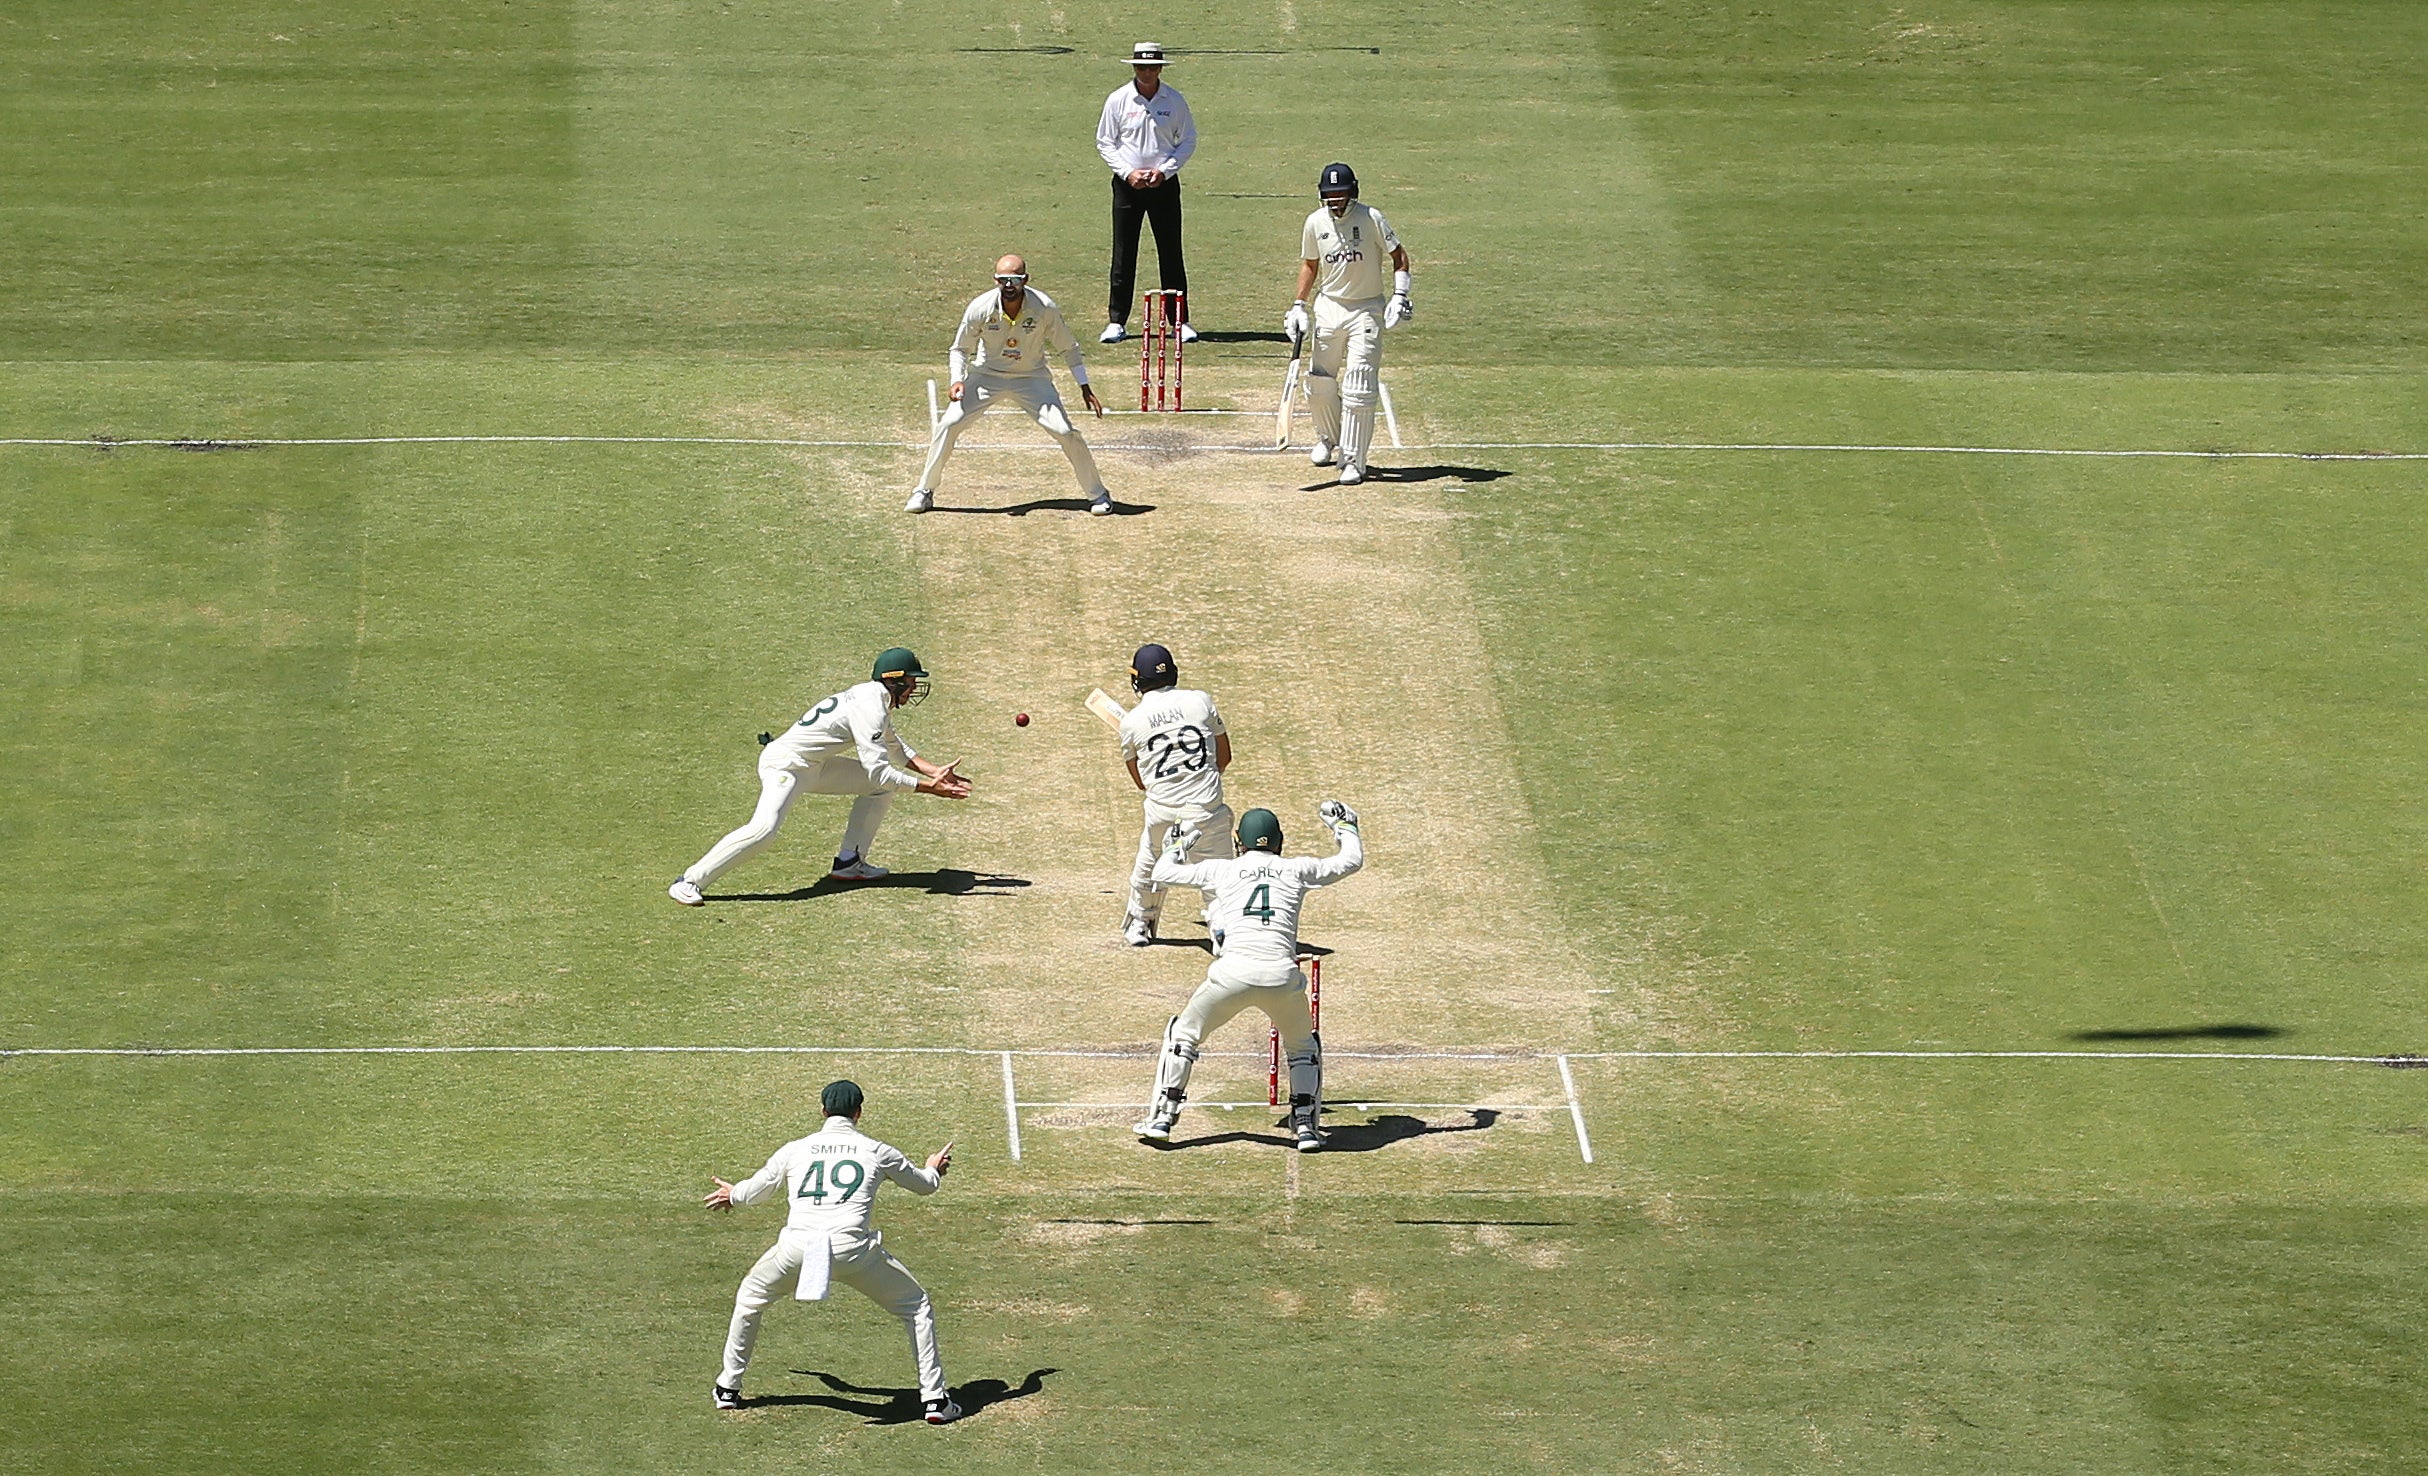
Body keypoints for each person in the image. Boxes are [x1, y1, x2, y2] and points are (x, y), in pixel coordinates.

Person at [705, 1079, 963, 1424]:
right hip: (853, 1251)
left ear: (823, 1111)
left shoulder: (796, 1149)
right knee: (916, 1307)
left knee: (750, 1299)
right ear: (858, 1113)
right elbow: (925, 1186)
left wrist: (733, 1195)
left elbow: (757, 1191)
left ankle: (728, 1388)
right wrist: (934, 1167)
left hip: (797, 1249)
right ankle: (935, 1400)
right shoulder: (877, 1150)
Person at [1134, 803, 1364, 1151]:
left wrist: (1177, 844)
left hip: (1232, 975)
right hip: (1281, 978)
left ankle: (1164, 1117)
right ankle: (1304, 1127)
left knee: (1184, 1035)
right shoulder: (1296, 869)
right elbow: (1350, 861)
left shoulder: (1223, 870)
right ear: (1280, 842)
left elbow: (1163, 872)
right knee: (1303, 1047)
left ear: (1238, 842)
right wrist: (1345, 828)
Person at [668, 648, 969, 904]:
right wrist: (930, 788)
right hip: (785, 766)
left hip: (816, 767)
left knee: (878, 790)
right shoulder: (870, 705)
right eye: (911, 681)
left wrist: (934, 770)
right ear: (893, 680)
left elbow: (893, 745)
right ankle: (689, 880)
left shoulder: (874, 698)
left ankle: (850, 862)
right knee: (764, 830)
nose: (914, 688)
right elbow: (879, 772)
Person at [907, 255, 1111, 516]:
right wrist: (956, 380)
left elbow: (1068, 347)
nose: (1009, 285)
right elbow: (960, 349)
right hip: (986, 377)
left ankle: (1098, 494)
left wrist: (1084, 386)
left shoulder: (1044, 308)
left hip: (1031, 378)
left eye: (1015, 279)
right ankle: (924, 490)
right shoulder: (980, 307)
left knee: (1065, 431)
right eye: (1003, 280)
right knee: (948, 424)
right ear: (996, 280)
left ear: (1025, 280)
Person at [1282, 162, 1413, 486]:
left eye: (1341, 194)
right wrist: (1299, 305)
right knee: (1319, 382)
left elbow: (1399, 256)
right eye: (1330, 195)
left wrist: (1400, 295)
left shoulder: (1371, 218)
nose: (1335, 201)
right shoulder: (1314, 222)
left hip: (1366, 309)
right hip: (1329, 307)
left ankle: (1353, 460)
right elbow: (1310, 265)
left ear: (1353, 192)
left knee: (1359, 384)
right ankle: (1329, 437)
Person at [1116, 642, 1234, 948]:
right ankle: (1222, 931)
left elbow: (1141, 782)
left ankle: (1139, 923)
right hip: (1206, 808)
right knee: (1218, 873)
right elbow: (1224, 758)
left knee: (1150, 860)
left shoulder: (1131, 721)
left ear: (1137, 679)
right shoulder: (1200, 701)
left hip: (1163, 812)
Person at [1095, 42, 1197, 345]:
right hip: (1128, 187)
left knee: (1170, 253)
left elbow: (1188, 140)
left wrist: (1164, 171)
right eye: (1142, 67)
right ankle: (1117, 321)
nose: (1147, 73)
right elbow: (1105, 142)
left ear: (1161, 69)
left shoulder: (1174, 100)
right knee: (1124, 253)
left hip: (1163, 186)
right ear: (1134, 68)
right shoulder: (1118, 99)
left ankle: (1179, 322)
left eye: (1153, 67)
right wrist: (1128, 173)